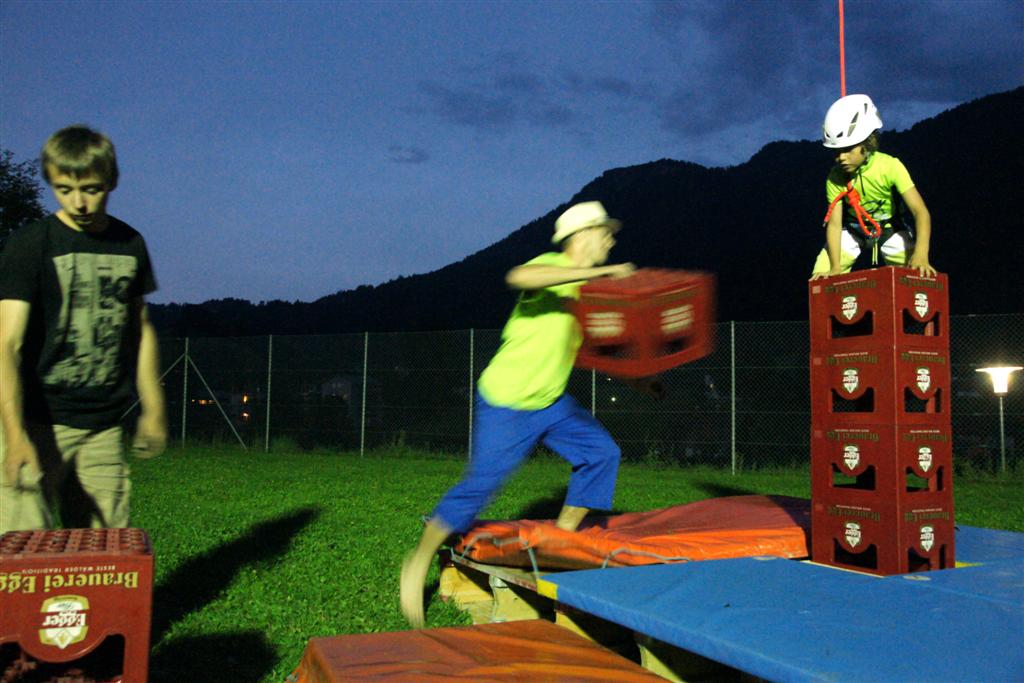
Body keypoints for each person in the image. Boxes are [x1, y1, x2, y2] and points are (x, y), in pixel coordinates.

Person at [400, 201, 642, 627]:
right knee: (481, 485)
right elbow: (519, 277)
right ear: (582, 235)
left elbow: (599, 350)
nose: (610, 240)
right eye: (605, 232)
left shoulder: (590, 294)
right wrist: (601, 273)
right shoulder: (551, 268)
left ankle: (560, 543)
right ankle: (418, 561)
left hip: (552, 403)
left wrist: (643, 381)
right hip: (508, 402)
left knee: (601, 453)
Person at [0, 125, 167, 534]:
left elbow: (141, 329)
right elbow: (6, 344)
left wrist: (154, 407)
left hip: (102, 427)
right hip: (36, 422)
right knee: (23, 553)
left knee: (105, 555)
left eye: (91, 189)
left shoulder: (131, 243)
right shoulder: (30, 244)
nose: (78, 203)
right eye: (64, 189)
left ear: (111, 181)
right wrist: (15, 435)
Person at [810, 94, 936, 280]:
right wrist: (835, 267)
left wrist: (921, 254)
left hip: (890, 229)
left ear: (868, 143)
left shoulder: (890, 167)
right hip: (853, 231)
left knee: (916, 275)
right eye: (836, 151)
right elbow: (835, 224)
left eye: (848, 149)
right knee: (821, 276)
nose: (841, 158)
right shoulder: (835, 177)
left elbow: (920, 212)